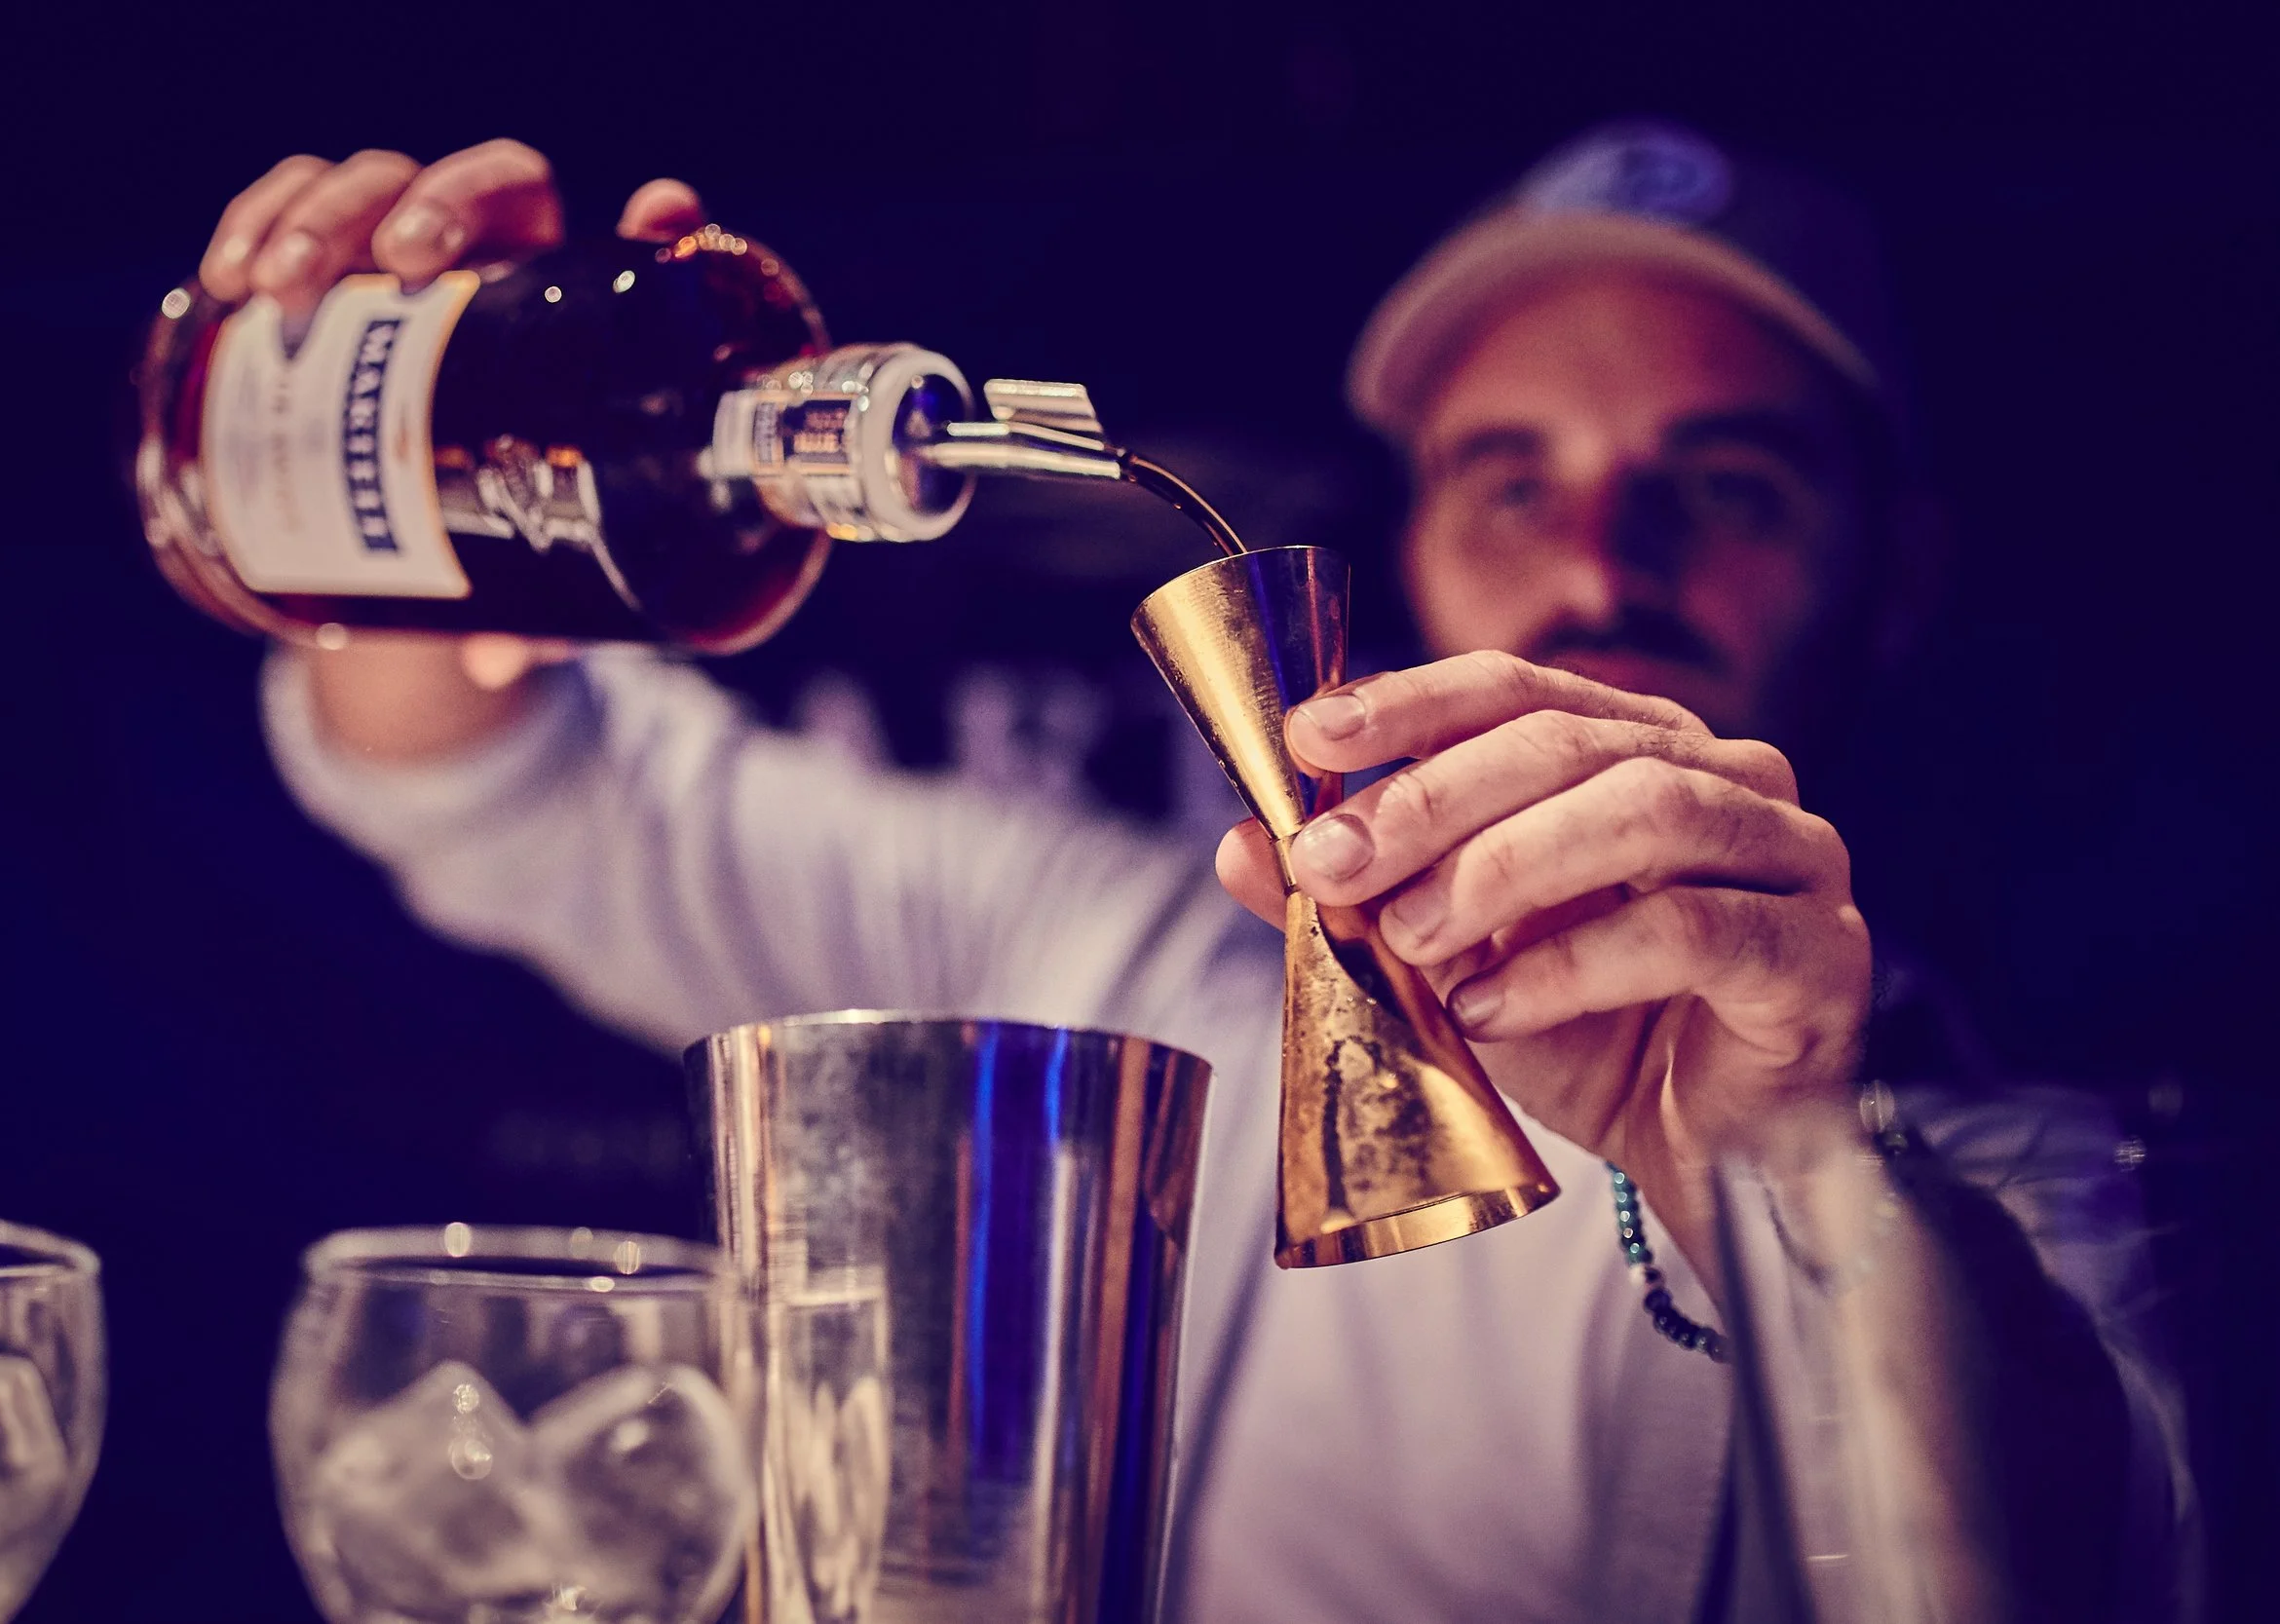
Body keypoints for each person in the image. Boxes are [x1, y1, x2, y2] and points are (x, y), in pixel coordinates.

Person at [201, 123, 2190, 1619]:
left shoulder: (2013, 1163)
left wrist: (1790, 1169)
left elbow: (2078, 1561)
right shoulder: (1120, 941)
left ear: (1894, 577)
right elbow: (514, 785)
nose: (1600, 565)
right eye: (1512, 478)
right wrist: (426, 476)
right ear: (1418, 550)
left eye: (1724, 487)